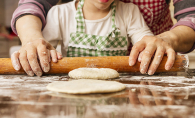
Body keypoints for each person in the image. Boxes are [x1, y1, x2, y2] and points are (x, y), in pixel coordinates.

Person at [11, 0, 195, 76]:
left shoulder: (129, 11)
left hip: (131, 77)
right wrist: (33, 45)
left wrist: (158, 43)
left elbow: (146, 42)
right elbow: (43, 47)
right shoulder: (61, 13)